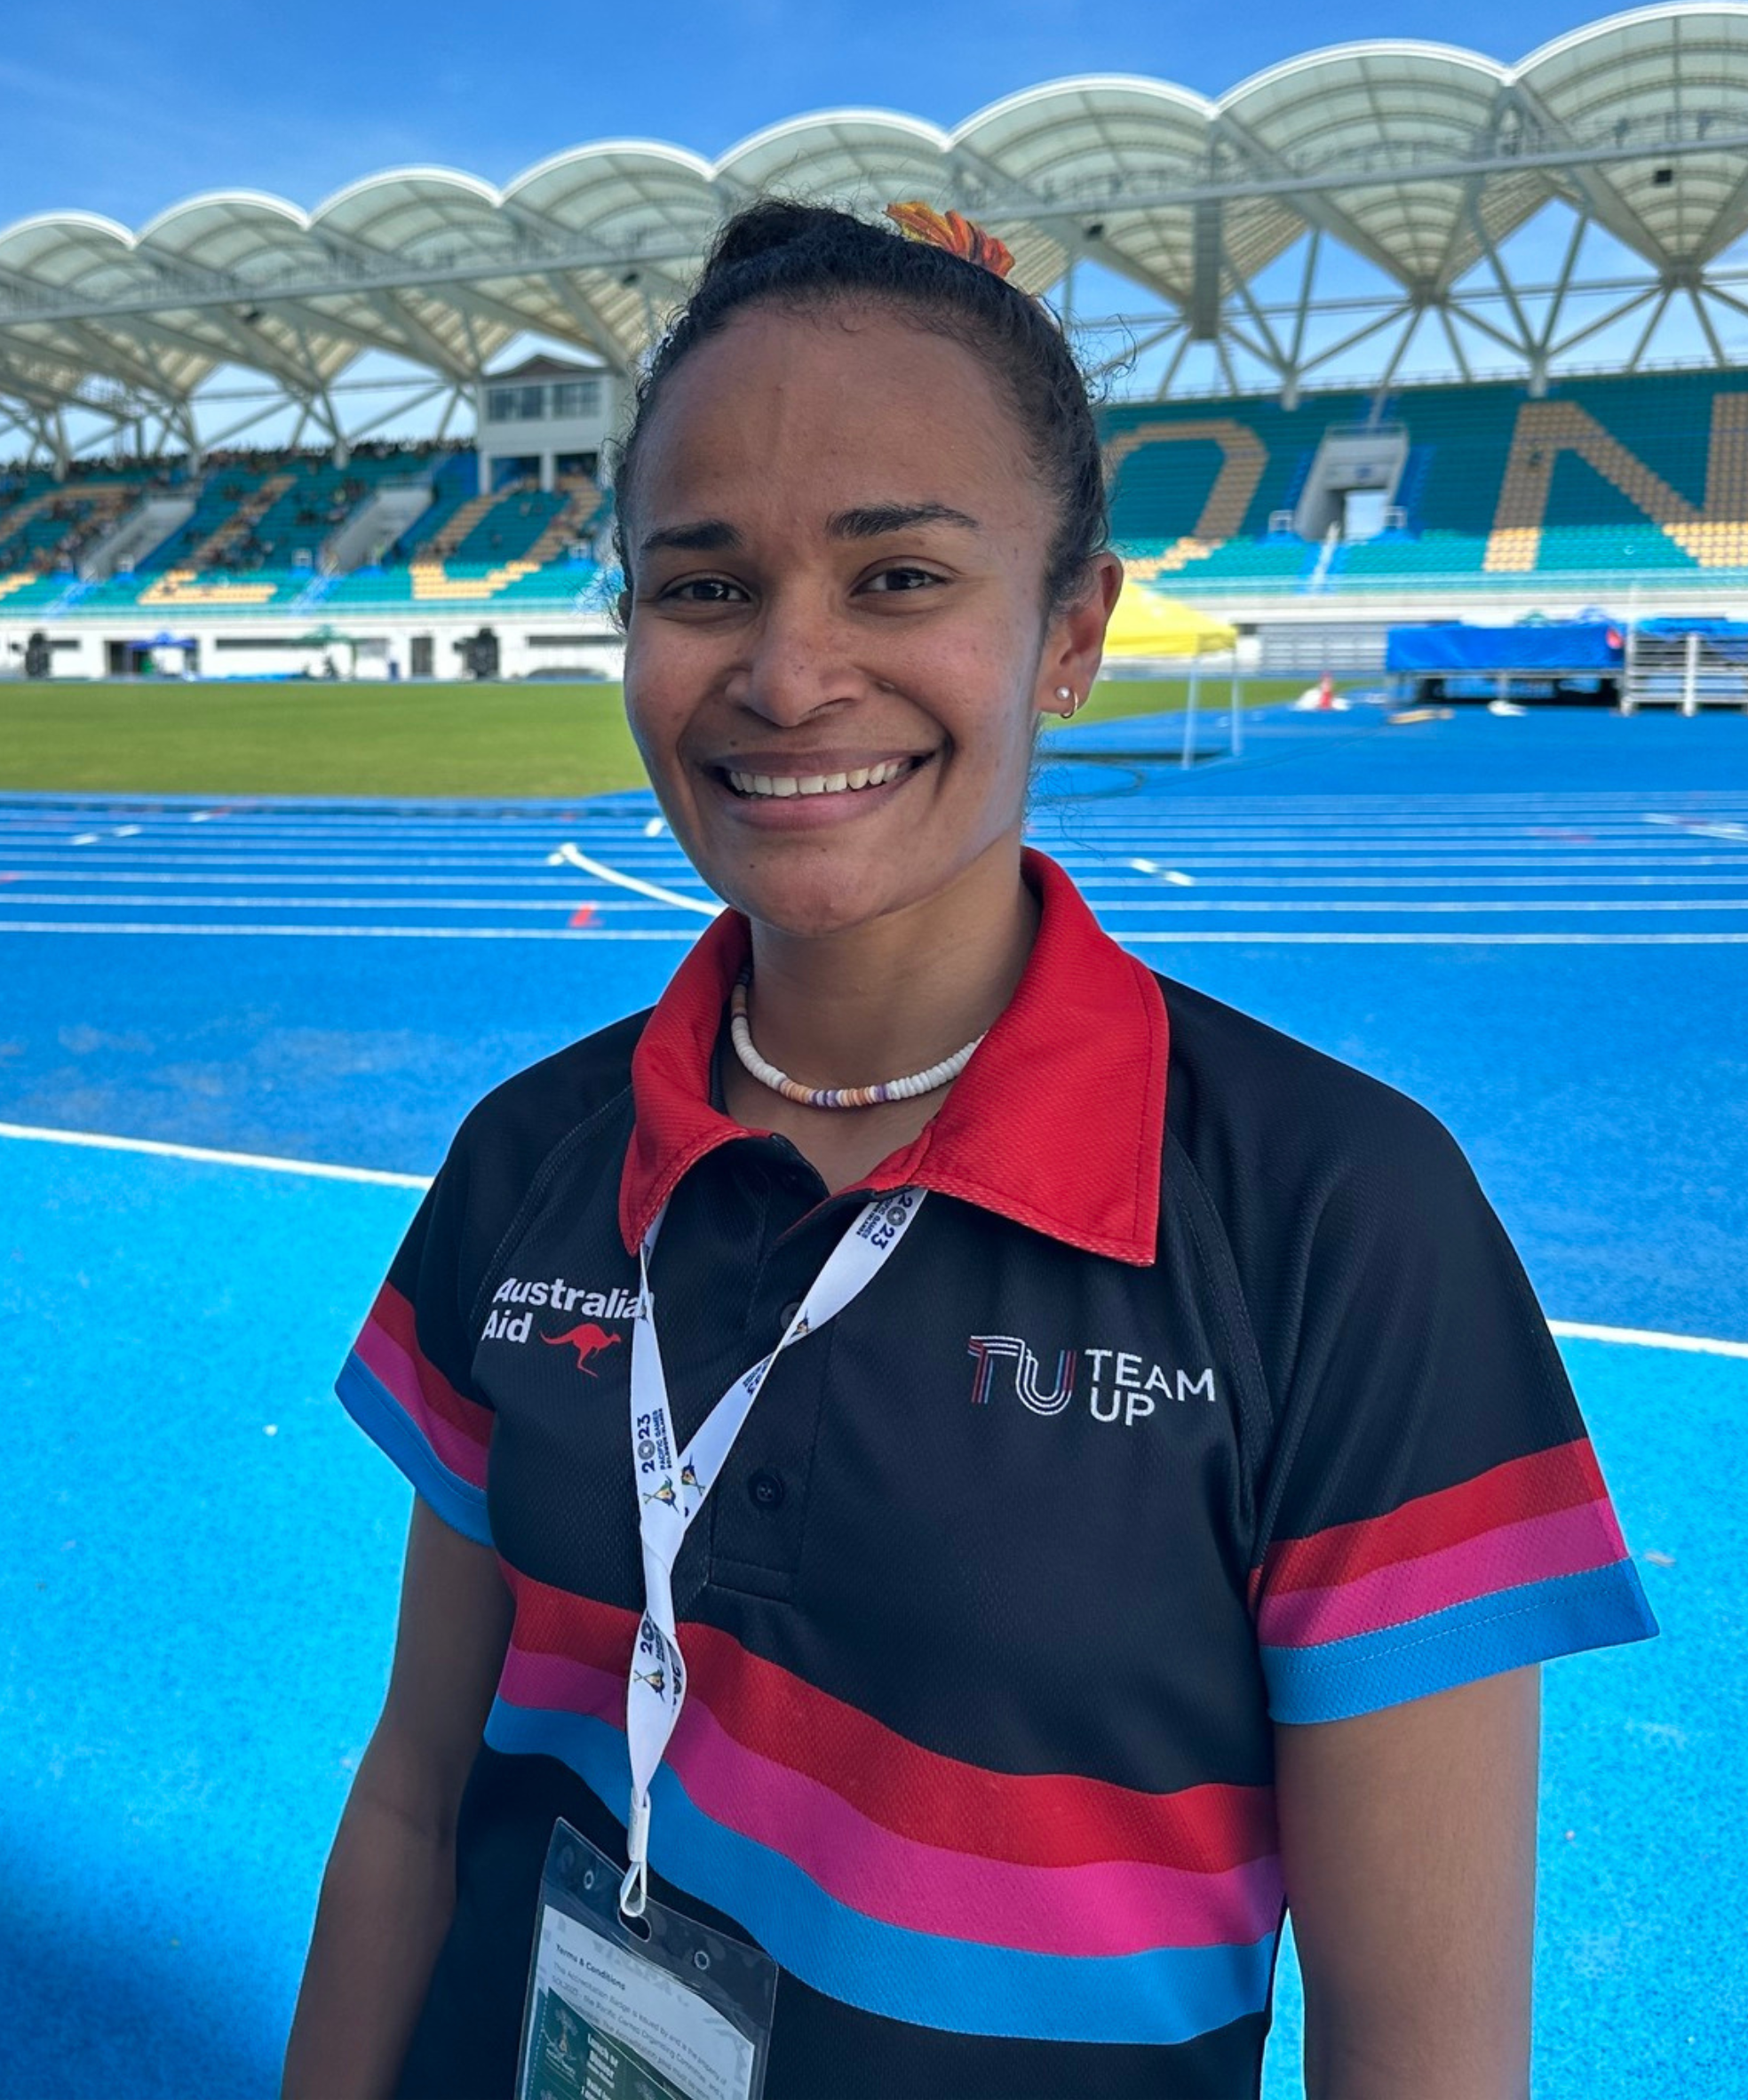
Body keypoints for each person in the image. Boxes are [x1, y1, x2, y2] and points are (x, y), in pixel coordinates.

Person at [283, 200, 1655, 2100]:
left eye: (899, 576)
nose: (786, 670)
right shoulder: (528, 1156)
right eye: (702, 586)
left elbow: (1418, 2058)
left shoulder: (1342, 1225)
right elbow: (417, 1800)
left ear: (1071, 632)